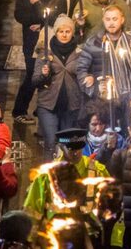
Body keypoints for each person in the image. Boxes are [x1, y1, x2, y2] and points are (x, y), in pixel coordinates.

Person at [23, 127, 110, 223]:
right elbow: (32, 212)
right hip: (56, 234)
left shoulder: (97, 170)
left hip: (88, 235)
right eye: (71, 149)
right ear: (61, 147)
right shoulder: (46, 175)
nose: (76, 153)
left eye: (79, 148)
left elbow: (111, 207)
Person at [32, 15, 82, 158]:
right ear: (56, 32)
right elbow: (35, 81)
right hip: (48, 106)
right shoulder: (45, 53)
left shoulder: (79, 53)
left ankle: (65, 175)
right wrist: (43, 74)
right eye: (61, 31)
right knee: (51, 141)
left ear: (72, 32)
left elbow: (83, 75)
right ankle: (48, 175)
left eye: (68, 31)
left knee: (67, 143)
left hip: (71, 106)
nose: (64, 34)